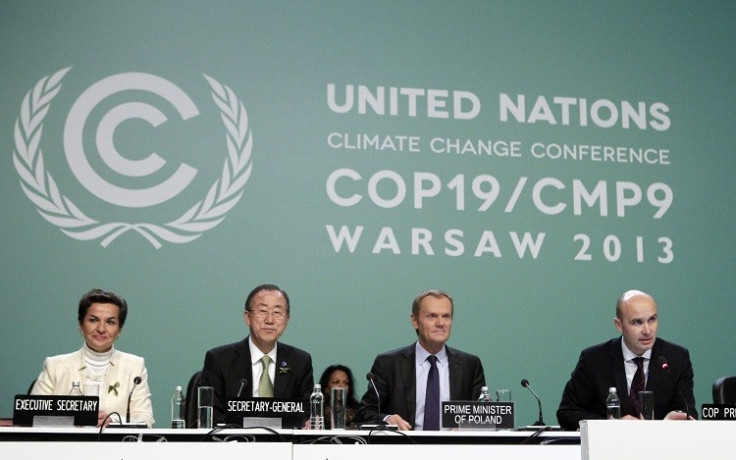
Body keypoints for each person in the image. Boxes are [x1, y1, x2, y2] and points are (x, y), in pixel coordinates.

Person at [556, 289, 697, 430]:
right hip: (608, 448)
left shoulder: (677, 358)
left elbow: (688, 412)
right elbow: (567, 413)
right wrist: (611, 424)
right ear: (619, 325)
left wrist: (670, 422)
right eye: (637, 322)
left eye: (652, 320)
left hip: (660, 447)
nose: (647, 330)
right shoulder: (594, 360)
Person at [355, 289, 486, 430]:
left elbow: (485, 417)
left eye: (446, 316)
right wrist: (388, 419)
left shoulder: (469, 365)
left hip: (454, 449)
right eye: (432, 316)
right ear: (415, 321)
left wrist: (466, 425)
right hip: (404, 448)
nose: (441, 323)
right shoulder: (388, 363)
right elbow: (364, 413)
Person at [31, 288, 154, 427]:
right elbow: (33, 418)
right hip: (65, 446)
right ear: (80, 325)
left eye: (110, 322)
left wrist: (113, 420)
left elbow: (146, 419)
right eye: (93, 320)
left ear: (119, 330)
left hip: (115, 447)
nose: (101, 329)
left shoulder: (134, 366)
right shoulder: (55, 366)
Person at [199, 284, 314, 425]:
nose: (269, 320)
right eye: (262, 311)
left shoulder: (300, 362)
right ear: (247, 317)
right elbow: (211, 415)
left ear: (287, 319)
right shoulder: (219, 360)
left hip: (284, 444)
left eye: (277, 312)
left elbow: (308, 415)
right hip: (234, 444)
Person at [319, 364, 361, 429]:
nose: (342, 386)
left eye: (346, 383)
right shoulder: (320, 410)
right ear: (326, 388)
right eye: (336, 382)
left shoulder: (358, 410)